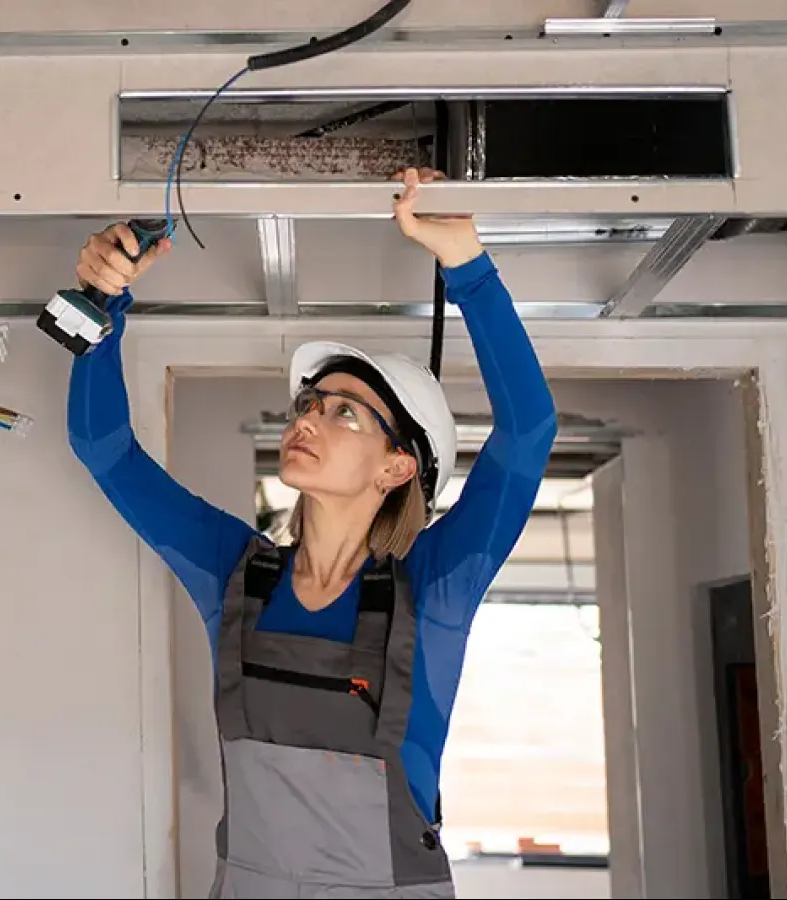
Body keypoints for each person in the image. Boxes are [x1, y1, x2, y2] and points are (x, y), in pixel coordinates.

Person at [68, 167, 558, 899]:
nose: (307, 419)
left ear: (397, 468)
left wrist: (468, 266)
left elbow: (527, 433)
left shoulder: (435, 588)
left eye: (345, 413)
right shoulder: (234, 572)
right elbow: (103, 448)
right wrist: (101, 306)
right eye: (310, 402)